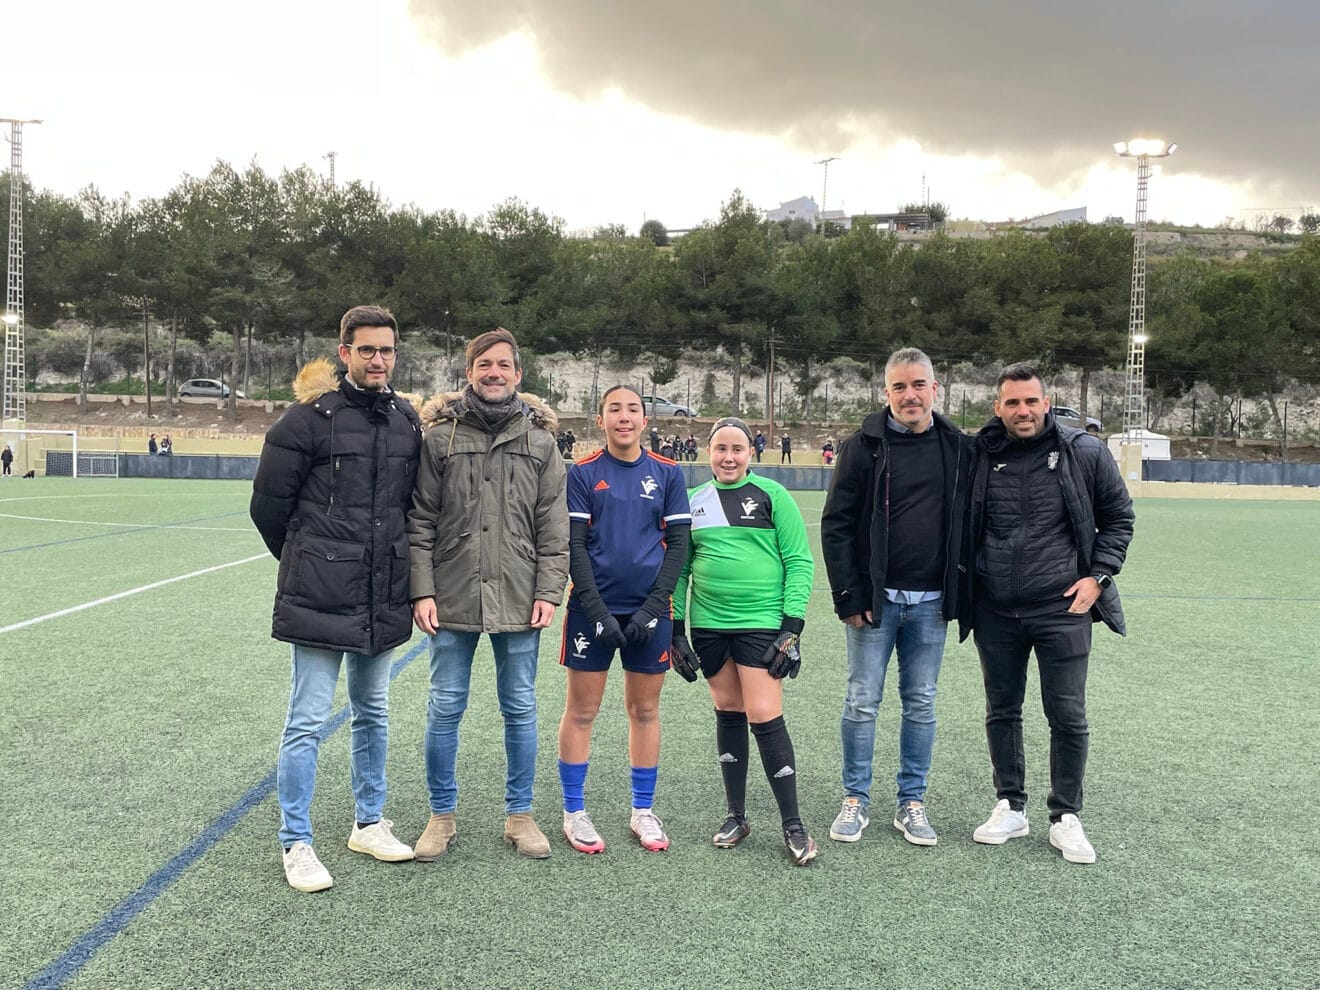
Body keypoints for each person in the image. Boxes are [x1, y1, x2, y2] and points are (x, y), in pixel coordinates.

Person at [250, 304, 421, 893]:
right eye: (367, 350)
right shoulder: (305, 421)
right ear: (344, 353)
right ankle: (296, 841)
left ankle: (368, 822)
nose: (379, 360)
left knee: (374, 713)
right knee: (306, 721)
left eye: (388, 350)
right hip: (321, 596)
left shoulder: (405, 420)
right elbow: (268, 508)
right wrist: (313, 563)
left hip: (382, 595)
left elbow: (410, 509)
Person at [958, 362, 1134, 865]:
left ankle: (1065, 816)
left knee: (1067, 714)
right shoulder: (979, 455)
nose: (1022, 411)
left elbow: (1119, 518)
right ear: (998, 407)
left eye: (1031, 401)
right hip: (995, 608)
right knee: (1002, 709)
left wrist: (1097, 576)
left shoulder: (1084, 452)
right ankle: (1010, 805)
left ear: (1046, 402)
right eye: (1012, 402)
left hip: (1063, 607)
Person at [408, 328, 569, 861]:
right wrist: (422, 590)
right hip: (451, 594)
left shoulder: (541, 443)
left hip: (522, 595)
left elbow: (554, 526)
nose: (494, 373)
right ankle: (441, 817)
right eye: (484, 365)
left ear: (519, 375)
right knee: (444, 708)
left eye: (504, 365)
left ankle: (520, 817)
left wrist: (549, 589)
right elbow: (420, 520)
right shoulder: (441, 438)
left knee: (520, 707)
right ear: (469, 372)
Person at [820, 347, 972, 847]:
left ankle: (912, 802)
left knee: (921, 703)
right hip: (875, 601)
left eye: (919, 385)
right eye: (900, 387)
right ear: (886, 392)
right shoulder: (863, 445)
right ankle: (855, 799)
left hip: (931, 603)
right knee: (862, 700)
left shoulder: (956, 446)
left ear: (935, 389)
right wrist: (849, 594)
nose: (910, 395)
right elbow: (837, 524)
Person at [669, 417, 819, 865]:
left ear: (750, 452)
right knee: (728, 710)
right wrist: (677, 630)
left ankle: (793, 824)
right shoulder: (694, 501)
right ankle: (737, 815)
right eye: (720, 449)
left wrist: (791, 628)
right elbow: (679, 570)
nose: (728, 457)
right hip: (710, 624)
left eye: (737, 449)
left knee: (764, 713)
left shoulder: (774, 497)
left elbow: (799, 561)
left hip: (762, 622)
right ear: (707, 452)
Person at [556, 386, 691, 854]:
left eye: (633, 409)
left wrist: (654, 607)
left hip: (650, 613)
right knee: (583, 710)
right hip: (592, 612)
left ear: (645, 420)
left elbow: (678, 547)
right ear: (601, 420)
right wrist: (595, 609)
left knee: (645, 710)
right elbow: (574, 546)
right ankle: (574, 812)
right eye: (615, 409)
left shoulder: (669, 473)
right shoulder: (583, 472)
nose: (625, 417)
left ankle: (642, 811)